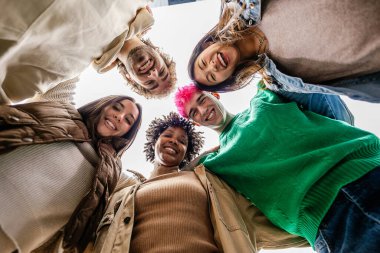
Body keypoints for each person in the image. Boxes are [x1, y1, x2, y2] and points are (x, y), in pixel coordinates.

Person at [175, 82, 380, 252]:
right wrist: (207, 152)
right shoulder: (214, 163)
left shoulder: (263, 97)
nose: (203, 110)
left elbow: (293, 75)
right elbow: (177, 180)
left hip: (367, 171)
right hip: (327, 222)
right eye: (194, 113)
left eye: (202, 100)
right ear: (196, 123)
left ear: (214, 94)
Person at [91, 112, 308, 253]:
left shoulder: (205, 181)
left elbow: (258, 213)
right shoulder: (125, 188)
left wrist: (314, 227)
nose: (174, 141)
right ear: (154, 141)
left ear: (187, 151)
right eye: (168, 135)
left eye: (182, 141)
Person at [0, 93, 143, 253]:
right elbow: (62, 74)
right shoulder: (62, 111)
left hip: (11, 237)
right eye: (116, 107)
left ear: (127, 133)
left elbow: (146, 188)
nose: (119, 116)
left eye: (128, 120)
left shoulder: (112, 173)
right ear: (103, 104)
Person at [188, 0, 380, 102]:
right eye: (213, 77)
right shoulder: (279, 80)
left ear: (207, 45)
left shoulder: (243, 4)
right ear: (227, 78)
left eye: (203, 63)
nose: (212, 66)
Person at [0, 0, 176, 104]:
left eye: (151, 83)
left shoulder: (67, 67)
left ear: (131, 79)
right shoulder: (139, 3)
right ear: (159, 53)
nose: (153, 73)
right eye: (162, 71)